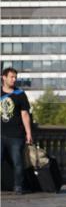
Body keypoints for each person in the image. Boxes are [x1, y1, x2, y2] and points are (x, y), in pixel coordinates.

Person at [1, 67, 33, 195]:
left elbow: (25, 114)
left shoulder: (20, 94)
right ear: (4, 77)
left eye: (15, 77)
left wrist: (29, 133)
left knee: (18, 162)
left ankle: (18, 186)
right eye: (11, 77)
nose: (14, 79)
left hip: (16, 135)